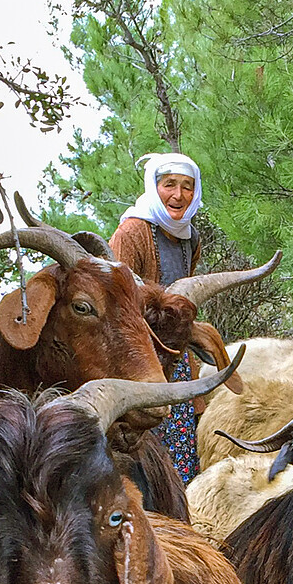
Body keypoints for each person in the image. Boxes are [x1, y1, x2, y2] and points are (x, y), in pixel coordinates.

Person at [109, 152, 207, 483]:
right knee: (140, 444)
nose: (178, 196)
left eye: (187, 187)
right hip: (138, 358)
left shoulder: (190, 237)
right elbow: (118, 303)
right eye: (169, 185)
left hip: (176, 356)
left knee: (181, 446)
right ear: (154, 186)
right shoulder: (131, 232)